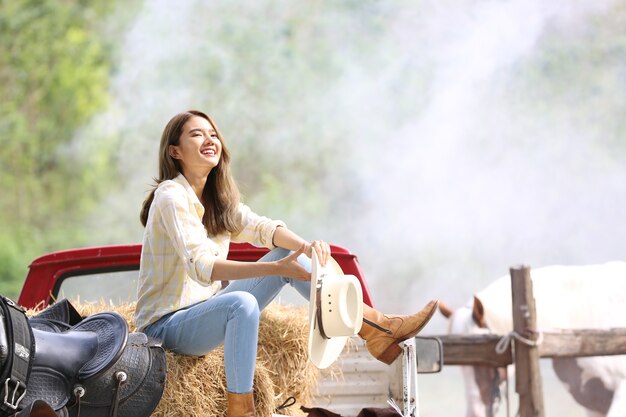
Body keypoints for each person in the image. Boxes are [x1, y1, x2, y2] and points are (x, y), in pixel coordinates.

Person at [135, 110, 439, 417]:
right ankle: (241, 410)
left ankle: (375, 327)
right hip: (164, 328)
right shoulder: (170, 195)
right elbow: (202, 267)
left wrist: (306, 248)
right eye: (197, 134)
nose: (209, 139)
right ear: (175, 151)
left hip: (201, 315)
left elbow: (263, 229)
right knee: (241, 304)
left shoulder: (217, 199)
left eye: (213, 134)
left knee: (284, 254)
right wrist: (275, 270)